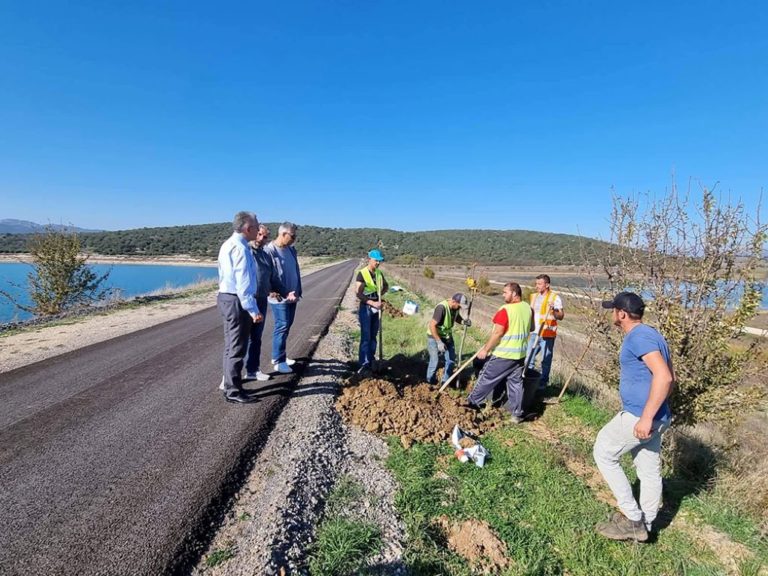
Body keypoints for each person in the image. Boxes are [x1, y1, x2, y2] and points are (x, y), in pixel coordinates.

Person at [593, 292, 674, 543]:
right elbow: (670, 376)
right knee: (649, 469)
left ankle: (632, 517)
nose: (612, 314)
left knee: (604, 452)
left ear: (622, 314)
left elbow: (665, 377)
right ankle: (646, 524)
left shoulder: (638, 337)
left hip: (641, 415)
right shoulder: (651, 334)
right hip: (659, 415)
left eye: (613, 309)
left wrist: (646, 417)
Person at [465, 282, 533, 423]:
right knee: (516, 384)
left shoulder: (505, 310)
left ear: (514, 293)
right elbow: (532, 327)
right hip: (519, 355)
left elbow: (498, 333)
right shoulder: (527, 308)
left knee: (486, 378)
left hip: (504, 354)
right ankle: (517, 414)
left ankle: (470, 405)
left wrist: (485, 349)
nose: (503, 295)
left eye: (505, 292)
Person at [217, 211, 263, 404]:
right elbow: (243, 285)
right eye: (256, 225)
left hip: (226, 298)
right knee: (237, 347)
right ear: (247, 228)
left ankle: (230, 386)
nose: (259, 228)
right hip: (236, 301)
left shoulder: (228, 244)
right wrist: (253, 310)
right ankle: (233, 390)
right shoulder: (241, 249)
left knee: (230, 346)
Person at [244, 224, 285, 381]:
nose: (261, 238)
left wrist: (273, 290)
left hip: (261, 299)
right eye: (259, 234)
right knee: (239, 339)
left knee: (256, 337)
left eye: (265, 236)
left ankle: (253, 370)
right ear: (254, 233)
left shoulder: (265, 255)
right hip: (246, 299)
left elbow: (269, 277)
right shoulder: (246, 252)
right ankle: (229, 377)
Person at [263, 222, 302, 374]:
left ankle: (280, 356)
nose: (294, 239)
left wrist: (297, 290)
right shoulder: (270, 250)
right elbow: (268, 275)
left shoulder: (291, 250)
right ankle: (278, 361)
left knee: (287, 326)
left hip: (293, 296)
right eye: (292, 236)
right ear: (283, 234)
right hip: (280, 297)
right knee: (282, 325)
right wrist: (274, 290)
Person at [527, 274, 564, 389]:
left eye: (539, 284)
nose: (537, 286)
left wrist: (554, 310)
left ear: (547, 285)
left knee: (546, 360)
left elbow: (561, 316)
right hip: (534, 333)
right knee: (529, 358)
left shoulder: (554, 298)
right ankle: (527, 380)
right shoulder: (533, 296)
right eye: (536, 283)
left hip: (547, 334)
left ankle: (542, 383)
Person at [426, 293, 471, 385]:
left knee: (451, 359)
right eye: (459, 305)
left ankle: (445, 382)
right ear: (454, 301)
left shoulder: (455, 307)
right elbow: (432, 325)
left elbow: (455, 317)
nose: (460, 308)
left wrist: (463, 321)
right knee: (435, 360)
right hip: (435, 336)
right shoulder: (441, 308)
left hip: (447, 336)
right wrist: (439, 342)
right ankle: (430, 382)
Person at [355, 249, 388, 376]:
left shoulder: (379, 273)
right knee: (366, 337)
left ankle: (372, 359)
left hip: (377, 308)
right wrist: (372, 302)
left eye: (379, 261)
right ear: (370, 259)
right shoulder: (362, 273)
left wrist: (380, 295)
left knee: (374, 336)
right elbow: (358, 293)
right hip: (366, 308)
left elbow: (386, 285)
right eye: (376, 261)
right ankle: (364, 364)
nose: (378, 263)